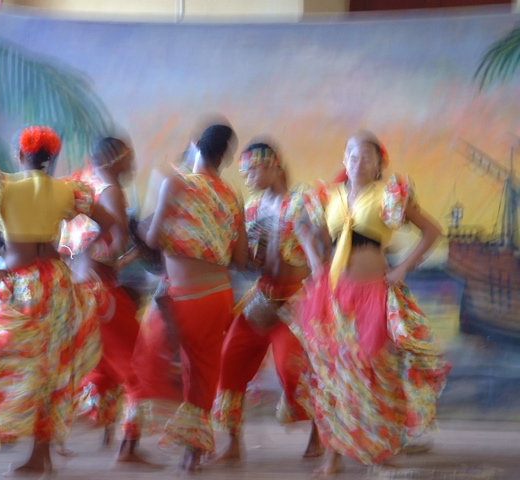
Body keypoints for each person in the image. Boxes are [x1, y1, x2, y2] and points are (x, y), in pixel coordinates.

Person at [0, 126, 112, 475]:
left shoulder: (3, 184)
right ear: (50, 161)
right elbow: (110, 223)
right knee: (50, 372)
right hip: (58, 284)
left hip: (22, 286)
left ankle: (37, 454)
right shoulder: (67, 190)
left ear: (21, 156)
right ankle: (42, 454)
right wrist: (82, 255)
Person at [296, 130, 450, 476]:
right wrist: (313, 260)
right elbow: (310, 233)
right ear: (344, 160)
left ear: (379, 163)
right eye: (352, 155)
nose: (358, 162)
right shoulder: (330, 196)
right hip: (333, 296)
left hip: (373, 294)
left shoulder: (389, 195)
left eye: (367, 156)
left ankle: (382, 448)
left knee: (376, 373)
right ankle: (333, 456)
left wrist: (402, 269)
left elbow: (432, 231)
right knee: (333, 376)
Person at [138, 123, 248, 471]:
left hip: (183, 296)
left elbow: (154, 240)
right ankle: (193, 451)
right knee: (200, 373)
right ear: (225, 158)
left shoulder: (177, 183)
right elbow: (242, 260)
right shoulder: (233, 196)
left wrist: (143, 225)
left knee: (150, 362)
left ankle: (163, 437)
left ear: (195, 145)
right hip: (217, 295)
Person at [212, 142, 323, 464]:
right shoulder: (252, 210)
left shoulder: (301, 200)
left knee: (293, 369)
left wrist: (320, 272)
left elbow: (312, 239)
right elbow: (250, 264)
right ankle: (233, 443)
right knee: (230, 360)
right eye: (243, 172)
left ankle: (319, 434)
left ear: (273, 165)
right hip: (263, 296)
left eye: (252, 170)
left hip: (296, 296)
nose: (247, 177)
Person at [58, 137, 148, 463]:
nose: (132, 166)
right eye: (128, 159)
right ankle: (129, 448)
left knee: (101, 368)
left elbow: (71, 245)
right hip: (101, 290)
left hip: (80, 290)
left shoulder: (83, 188)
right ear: (112, 161)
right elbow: (116, 242)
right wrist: (136, 245)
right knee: (138, 366)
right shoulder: (111, 190)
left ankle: (56, 437)